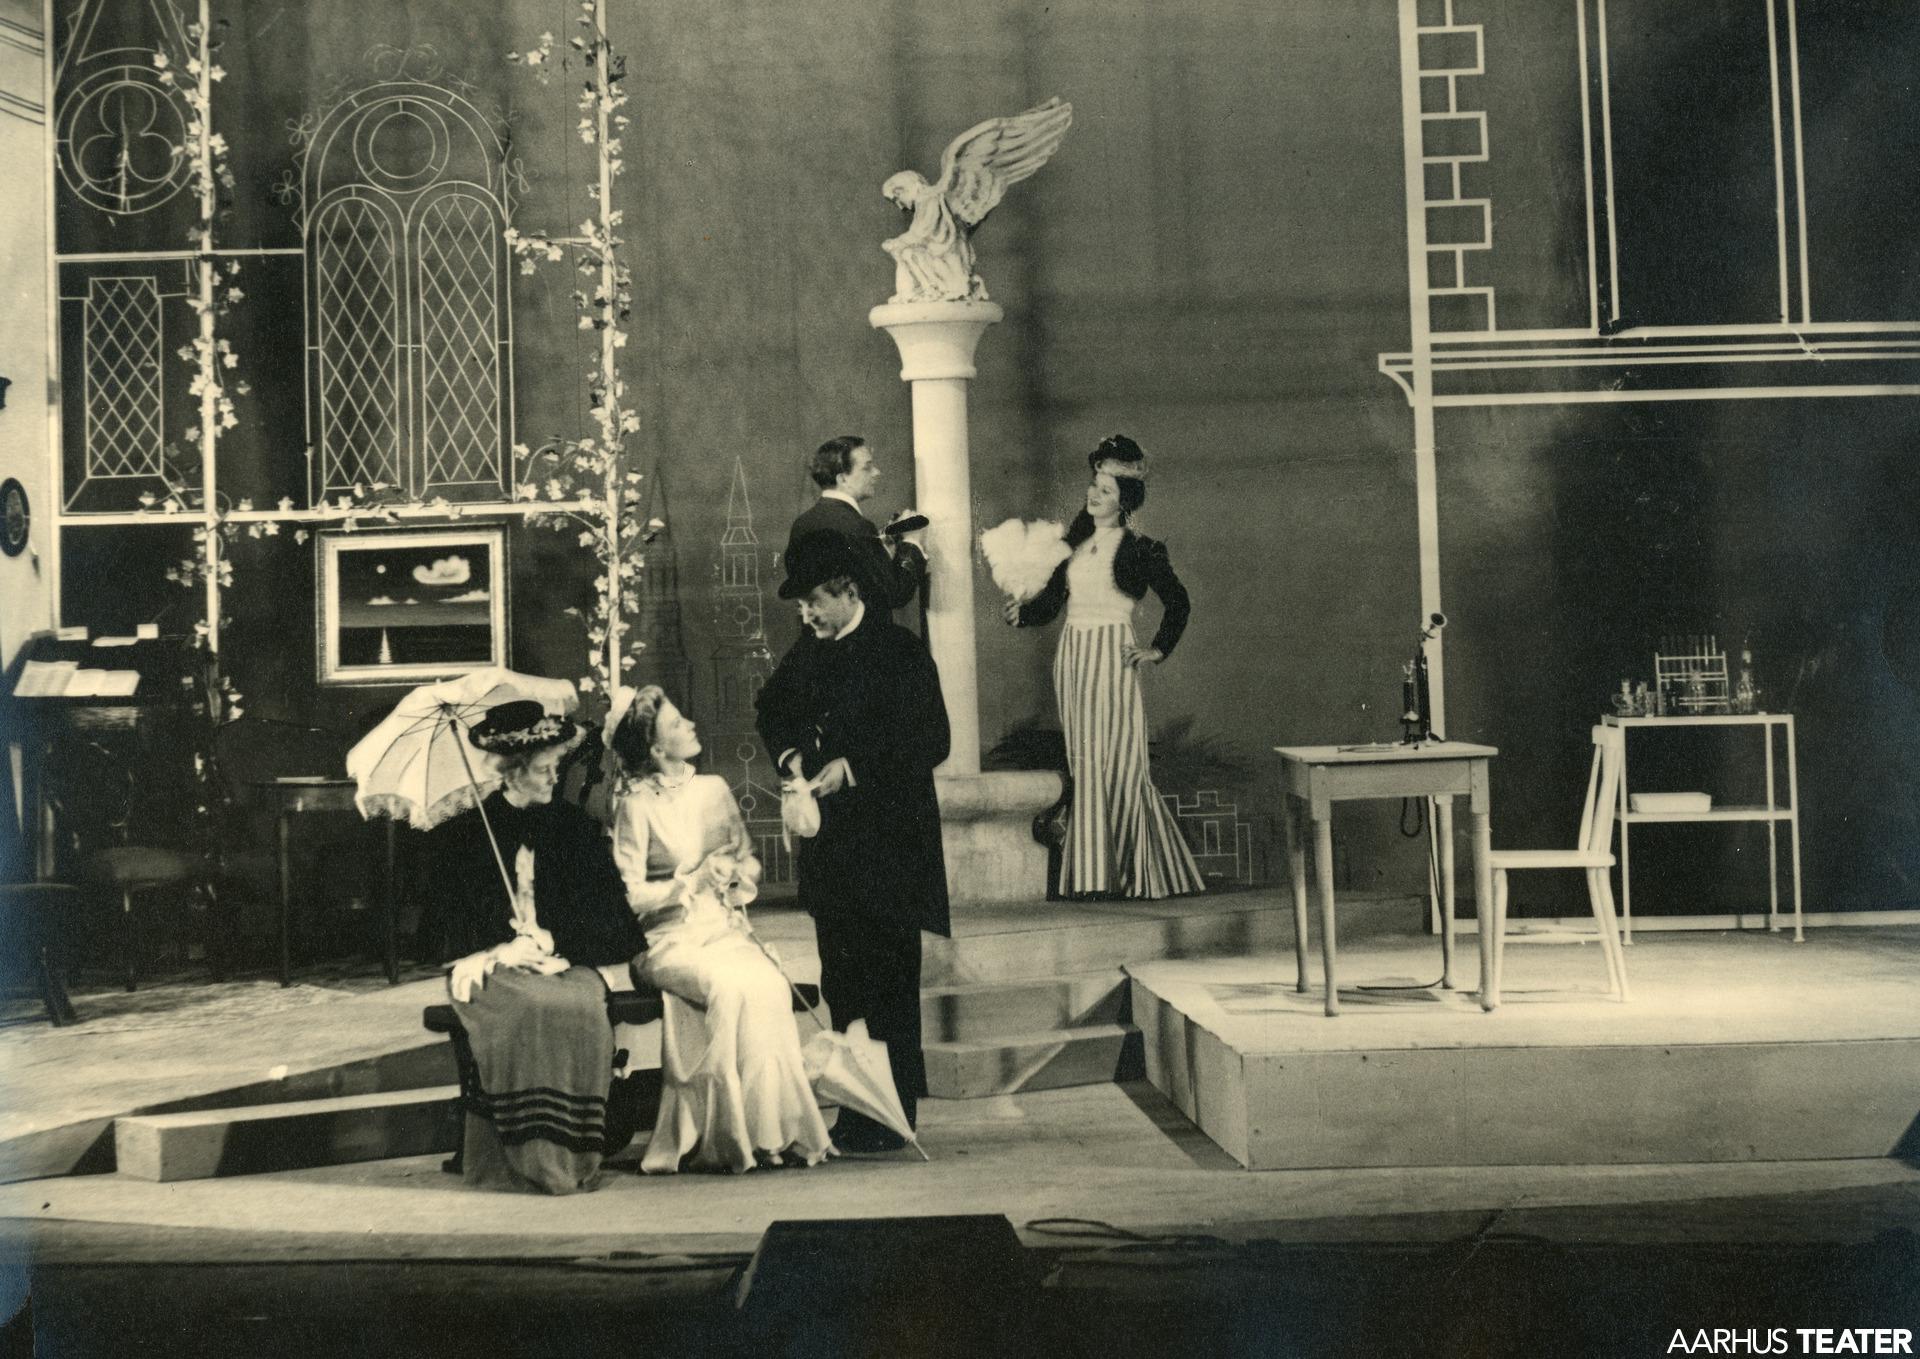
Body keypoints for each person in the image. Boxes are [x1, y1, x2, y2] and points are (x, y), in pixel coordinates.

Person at [755, 532, 950, 1151]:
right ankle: (858, 1106)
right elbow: (770, 708)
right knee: (842, 979)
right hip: (834, 851)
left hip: (891, 848)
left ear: (847, 592)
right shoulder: (808, 650)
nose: (805, 614)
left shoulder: (901, 651)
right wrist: (791, 757)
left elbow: (933, 739)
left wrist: (855, 766)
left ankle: (894, 1115)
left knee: (890, 982)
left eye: (813, 601)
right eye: (801, 605)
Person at [603, 684, 834, 1173]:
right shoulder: (636, 806)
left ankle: (771, 1132)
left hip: (722, 930)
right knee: (729, 987)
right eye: (676, 724)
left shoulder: (713, 788)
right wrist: (688, 883)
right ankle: (729, 1136)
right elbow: (627, 897)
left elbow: (748, 861)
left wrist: (735, 875)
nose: (690, 725)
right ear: (655, 748)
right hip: (664, 941)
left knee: (769, 985)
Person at [427, 701, 648, 1195]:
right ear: (512, 771)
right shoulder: (468, 833)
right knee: (533, 1006)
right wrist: (499, 948)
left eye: (556, 766)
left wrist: (553, 938)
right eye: (543, 769)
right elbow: (444, 924)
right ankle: (522, 1158)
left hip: (566, 962)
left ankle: (574, 1155)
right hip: (491, 968)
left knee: (578, 1006)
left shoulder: (576, 828)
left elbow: (613, 918)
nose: (554, 777)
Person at [1003, 435, 1206, 900]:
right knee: (1085, 762)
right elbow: (1051, 603)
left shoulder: (1142, 549)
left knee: (1119, 760)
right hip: (1072, 656)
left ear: (1124, 501)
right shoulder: (1072, 546)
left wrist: (1157, 650)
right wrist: (1023, 614)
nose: (1093, 494)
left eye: (1106, 490)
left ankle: (1138, 874)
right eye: (1093, 485)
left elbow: (1178, 603)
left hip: (1112, 655)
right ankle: (1094, 877)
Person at [787, 435, 926, 619]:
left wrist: (882, 550)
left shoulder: (802, 523)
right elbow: (896, 594)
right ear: (843, 479)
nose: (876, 472)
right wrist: (911, 541)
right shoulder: (858, 527)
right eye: (867, 467)